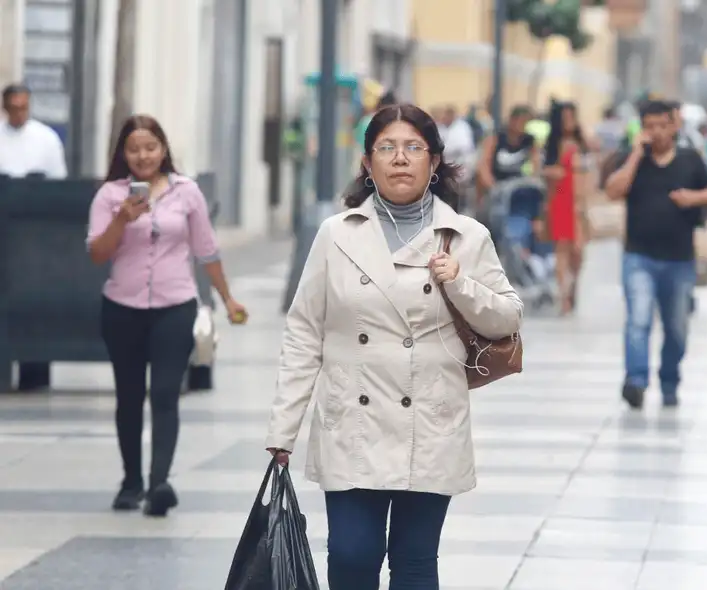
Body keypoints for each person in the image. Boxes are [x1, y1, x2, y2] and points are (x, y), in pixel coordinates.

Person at [264, 103, 523, 590]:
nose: (400, 158)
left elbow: (507, 318)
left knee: (415, 560)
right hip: (352, 420)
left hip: (429, 419)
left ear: (434, 160)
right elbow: (303, 332)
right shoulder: (336, 235)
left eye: (413, 148)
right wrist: (283, 428)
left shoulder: (465, 236)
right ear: (367, 163)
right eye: (386, 148)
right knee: (352, 555)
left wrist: (460, 283)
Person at [86, 115, 247, 516]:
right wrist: (123, 218)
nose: (143, 156)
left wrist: (228, 299)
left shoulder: (186, 192)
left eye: (150, 147)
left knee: (163, 394)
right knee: (128, 397)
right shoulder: (109, 195)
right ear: (123, 153)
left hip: (175, 307)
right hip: (122, 308)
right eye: (134, 149)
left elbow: (207, 250)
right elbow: (97, 253)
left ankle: (159, 483)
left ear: (163, 149)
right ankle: (131, 482)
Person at [605, 99, 707, 409]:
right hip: (638, 256)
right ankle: (636, 382)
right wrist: (635, 155)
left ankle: (669, 380)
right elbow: (613, 191)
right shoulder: (633, 158)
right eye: (649, 126)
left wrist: (691, 197)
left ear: (674, 126)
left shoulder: (689, 159)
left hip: (679, 260)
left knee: (677, 328)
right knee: (638, 320)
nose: (656, 132)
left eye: (662, 125)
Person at [0, 83, 69, 391]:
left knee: (36, 302)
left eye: (23, 108)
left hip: (36, 239)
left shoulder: (46, 139)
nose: (18, 114)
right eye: (13, 108)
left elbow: (59, 185)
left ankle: (35, 372)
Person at [543, 101, 589, 315]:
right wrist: (553, 171)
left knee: (578, 250)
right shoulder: (553, 144)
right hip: (560, 199)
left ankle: (573, 286)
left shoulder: (582, 142)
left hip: (579, 201)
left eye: (572, 116)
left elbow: (591, 171)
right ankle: (564, 295)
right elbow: (542, 169)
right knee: (562, 248)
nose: (569, 122)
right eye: (565, 117)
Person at [476, 104, 542, 253]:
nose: (523, 126)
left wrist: (534, 180)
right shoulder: (496, 139)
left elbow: (536, 165)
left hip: (516, 188)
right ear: (512, 120)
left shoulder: (529, 141)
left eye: (526, 123)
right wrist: (492, 186)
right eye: (521, 122)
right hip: (495, 187)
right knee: (491, 220)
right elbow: (483, 166)